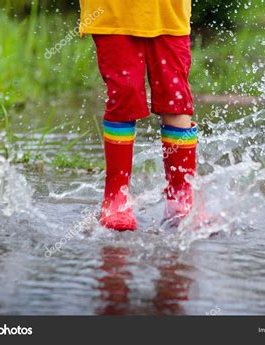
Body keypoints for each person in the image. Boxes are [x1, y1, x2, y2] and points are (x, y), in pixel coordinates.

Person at [80, 0, 197, 231]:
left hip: (168, 13)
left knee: (175, 100)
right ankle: (116, 196)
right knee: (124, 92)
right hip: (113, 13)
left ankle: (181, 196)